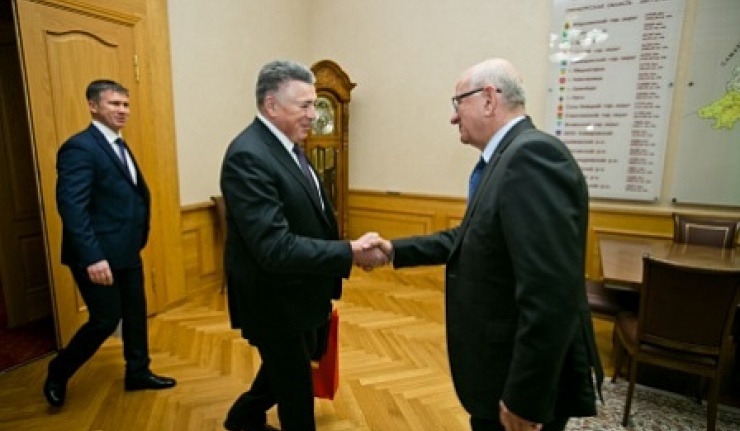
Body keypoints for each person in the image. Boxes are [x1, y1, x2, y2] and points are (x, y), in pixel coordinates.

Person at [378, 58, 603, 431]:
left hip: (516, 381)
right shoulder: (505, 157)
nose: (453, 117)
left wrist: (525, 398)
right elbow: (472, 237)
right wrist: (394, 249)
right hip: (497, 369)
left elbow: (549, 294)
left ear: (488, 99)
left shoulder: (531, 157)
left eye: (458, 103)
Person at [219, 60, 386, 431]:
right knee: (295, 388)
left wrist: (343, 252)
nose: (314, 114)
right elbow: (274, 248)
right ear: (271, 105)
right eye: (305, 105)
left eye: (315, 104)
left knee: (297, 358)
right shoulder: (248, 156)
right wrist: (349, 251)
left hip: (304, 289)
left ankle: (243, 416)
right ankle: (246, 417)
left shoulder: (287, 145)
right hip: (274, 299)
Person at [44, 79, 176, 408]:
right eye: (114, 104)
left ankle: (138, 372)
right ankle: (59, 370)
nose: (122, 110)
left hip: (126, 249)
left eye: (126, 104)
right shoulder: (80, 147)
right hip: (97, 255)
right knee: (105, 319)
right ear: (93, 106)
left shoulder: (118, 144)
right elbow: (72, 207)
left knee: (135, 314)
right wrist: (92, 257)